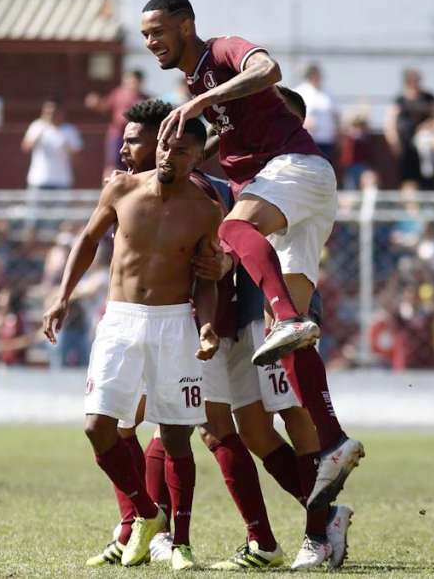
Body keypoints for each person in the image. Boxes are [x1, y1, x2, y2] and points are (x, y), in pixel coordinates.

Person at [96, 98, 351, 571]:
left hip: (269, 313)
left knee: (275, 421)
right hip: (226, 317)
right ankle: (156, 530)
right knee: (236, 430)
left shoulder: (284, 177)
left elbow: (239, 243)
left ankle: (309, 529)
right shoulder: (223, 179)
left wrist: (227, 270)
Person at [140, 0, 364, 514]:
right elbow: (228, 138)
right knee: (292, 343)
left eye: (157, 31)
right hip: (289, 193)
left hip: (295, 171)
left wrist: (196, 106)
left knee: (234, 232)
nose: (151, 42)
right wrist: (190, 155)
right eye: (145, 35)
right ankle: (332, 447)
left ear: (186, 24)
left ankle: (287, 318)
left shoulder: (220, 52)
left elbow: (268, 68)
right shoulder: (200, 85)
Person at [42, 117, 221, 571]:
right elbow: (87, 239)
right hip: (120, 320)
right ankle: (146, 512)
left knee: (177, 435)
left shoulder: (205, 209)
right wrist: (61, 296)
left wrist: (206, 325)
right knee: (97, 426)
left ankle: (181, 543)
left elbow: (206, 278)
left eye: (181, 150)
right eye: (164, 145)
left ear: (197, 157)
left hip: (174, 324)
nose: (168, 155)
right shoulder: (121, 189)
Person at [86, 69, 150, 174]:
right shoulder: (117, 94)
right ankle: (108, 187)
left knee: (135, 164)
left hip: (136, 137)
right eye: (128, 80)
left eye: (133, 81)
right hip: (117, 135)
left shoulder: (145, 98)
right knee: (113, 164)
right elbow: (105, 107)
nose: (130, 83)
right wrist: (96, 104)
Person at [384, 69, 434, 187]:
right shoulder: (400, 100)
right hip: (406, 146)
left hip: (425, 147)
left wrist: (427, 126)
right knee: (408, 180)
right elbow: (390, 121)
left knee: (427, 179)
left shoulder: (428, 98)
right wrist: (394, 141)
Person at [21, 98, 82, 190]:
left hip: (62, 182)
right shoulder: (37, 126)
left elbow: (77, 159)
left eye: (53, 112)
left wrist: (67, 147)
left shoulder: (69, 130)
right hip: (38, 180)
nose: (51, 115)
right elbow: (26, 148)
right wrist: (40, 132)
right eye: (47, 112)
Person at [295, 64, 339, 169]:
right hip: (309, 139)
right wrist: (305, 122)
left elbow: (335, 113)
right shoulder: (301, 91)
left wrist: (338, 130)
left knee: (325, 167)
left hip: (326, 138)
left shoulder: (328, 93)